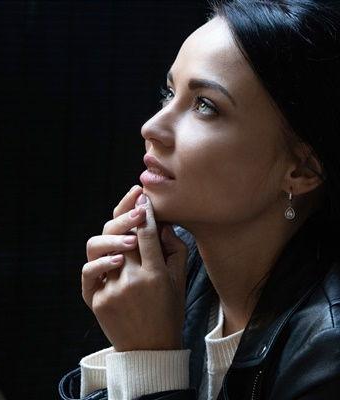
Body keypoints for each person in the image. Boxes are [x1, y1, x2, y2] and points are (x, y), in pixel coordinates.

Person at [59, 0, 340, 399]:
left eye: (205, 105)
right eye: (169, 92)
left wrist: (150, 356)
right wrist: (129, 350)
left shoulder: (328, 352)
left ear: (302, 170)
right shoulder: (172, 272)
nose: (151, 128)